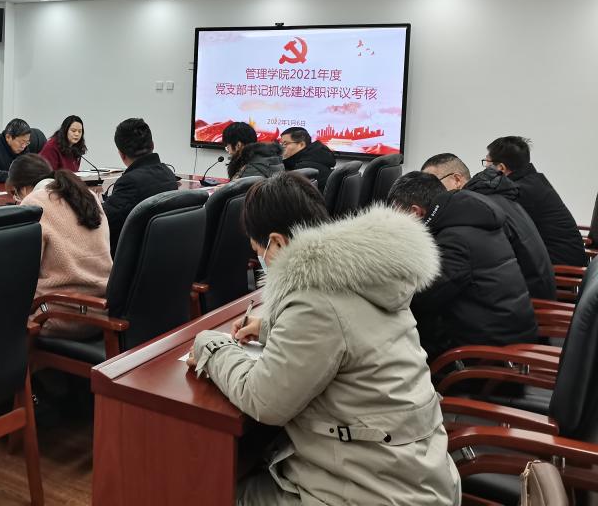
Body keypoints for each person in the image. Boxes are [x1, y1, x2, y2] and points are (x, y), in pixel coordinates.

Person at [188, 173, 459, 506]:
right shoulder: (362, 272)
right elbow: (350, 332)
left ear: (277, 243)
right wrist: (272, 327)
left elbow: (262, 399)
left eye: (259, 251)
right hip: (416, 472)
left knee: (207, 490)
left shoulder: (314, 299)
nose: (261, 260)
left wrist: (212, 346)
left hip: (374, 491)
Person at [388, 171, 538, 361]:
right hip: (506, 338)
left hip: (489, 358)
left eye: (395, 215)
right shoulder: (467, 220)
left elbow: (422, 298)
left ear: (416, 212)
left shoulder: (454, 240)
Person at [422, 153, 556, 300]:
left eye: (434, 183)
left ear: (457, 180)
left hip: (530, 300)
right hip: (533, 292)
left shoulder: (475, 212)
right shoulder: (491, 198)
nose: (429, 192)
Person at [7, 154, 112, 337]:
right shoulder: (86, 195)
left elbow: (23, 273)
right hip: (103, 311)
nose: (18, 200)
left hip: (59, 317)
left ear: (24, 188)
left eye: (16, 194)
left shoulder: (33, 204)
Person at [485, 136, 584, 267]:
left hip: (559, 268)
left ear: (501, 168)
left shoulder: (518, 191)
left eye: (487, 162)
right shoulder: (533, 181)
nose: (485, 167)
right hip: (561, 259)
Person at [102, 118, 178, 250]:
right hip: (162, 252)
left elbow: (103, 222)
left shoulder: (129, 182)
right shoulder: (168, 174)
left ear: (121, 154)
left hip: (130, 257)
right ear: (152, 145)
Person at [0, 118, 32, 183]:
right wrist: (15, 176)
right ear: (8, 137)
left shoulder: (24, 148)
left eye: (27, 142)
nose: (23, 146)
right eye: (21, 142)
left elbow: (28, 168)